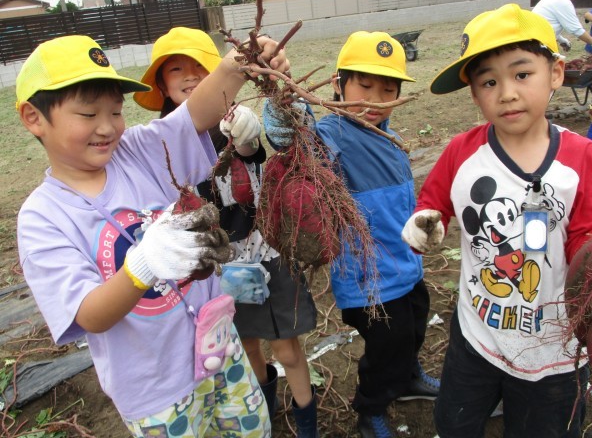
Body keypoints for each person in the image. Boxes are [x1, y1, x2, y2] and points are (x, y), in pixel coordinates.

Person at [16, 32, 289, 437]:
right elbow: (89, 314)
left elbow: (194, 115)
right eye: (88, 114)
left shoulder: (135, 151)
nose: (107, 127)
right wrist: (143, 264)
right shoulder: (43, 218)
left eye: (115, 111)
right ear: (33, 117)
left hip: (220, 346)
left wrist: (237, 66)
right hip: (157, 390)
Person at [402, 4, 592, 437]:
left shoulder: (581, 156)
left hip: (553, 347)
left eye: (522, 74)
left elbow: (586, 240)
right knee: (455, 423)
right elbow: (433, 203)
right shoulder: (462, 152)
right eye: (489, 82)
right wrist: (423, 224)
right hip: (477, 333)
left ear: (555, 73)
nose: (506, 93)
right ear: (474, 94)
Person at [133, 26, 319, 437]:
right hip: (219, 268)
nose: (189, 75)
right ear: (161, 85)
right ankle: (263, 411)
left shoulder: (235, 121)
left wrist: (247, 139)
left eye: (200, 66)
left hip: (266, 253)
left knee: (287, 348)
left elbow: (252, 151)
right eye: (175, 68)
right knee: (245, 345)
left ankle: (308, 424)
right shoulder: (160, 144)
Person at [263, 31, 440, 438]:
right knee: (386, 346)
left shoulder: (390, 137)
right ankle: (370, 407)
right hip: (369, 279)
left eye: (388, 90)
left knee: (415, 325)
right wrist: (282, 100)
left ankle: (409, 377)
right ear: (338, 83)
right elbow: (293, 137)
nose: (375, 100)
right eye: (365, 85)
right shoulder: (332, 135)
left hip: (406, 266)